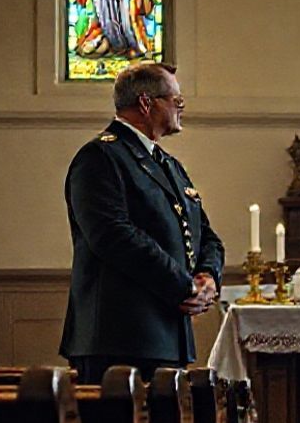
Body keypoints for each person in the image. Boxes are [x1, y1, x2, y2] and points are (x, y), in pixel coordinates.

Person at [60, 62, 224, 384]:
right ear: (147, 103)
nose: (181, 108)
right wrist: (183, 285)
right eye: (175, 101)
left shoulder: (169, 166)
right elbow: (113, 236)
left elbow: (207, 235)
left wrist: (208, 277)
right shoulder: (100, 158)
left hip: (166, 336)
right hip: (118, 337)